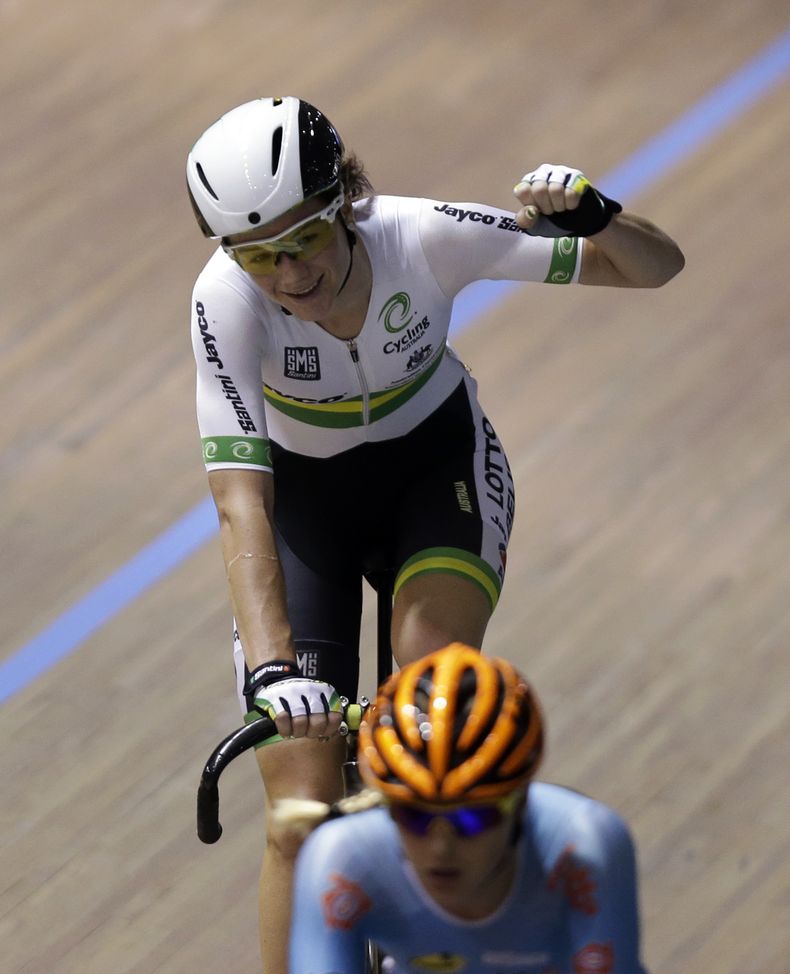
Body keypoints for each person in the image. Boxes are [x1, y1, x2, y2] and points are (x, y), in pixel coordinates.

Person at [185, 95, 682, 972]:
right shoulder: (223, 300)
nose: (289, 274)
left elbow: (652, 269)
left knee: (421, 752)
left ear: (346, 201)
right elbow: (241, 502)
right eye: (260, 255)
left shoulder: (423, 235)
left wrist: (601, 215)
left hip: (433, 477)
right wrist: (271, 672)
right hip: (306, 509)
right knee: (299, 813)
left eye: (304, 240)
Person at [289, 644, 648, 974]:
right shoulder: (338, 857)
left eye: (472, 819)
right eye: (414, 817)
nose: (441, 848)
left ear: (521, 802)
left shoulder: (585, 847)